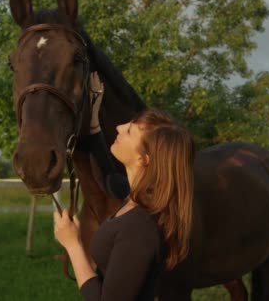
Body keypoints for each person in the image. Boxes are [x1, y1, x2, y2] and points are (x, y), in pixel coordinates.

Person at [54, 71, 195, 301]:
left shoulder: (140, 227)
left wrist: (73, 245)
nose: (119, 128)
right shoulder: (136, 197)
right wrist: (93, 121)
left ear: (143, 159)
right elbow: (107, 174)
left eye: (129, 131)